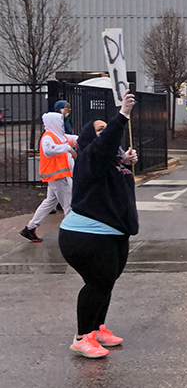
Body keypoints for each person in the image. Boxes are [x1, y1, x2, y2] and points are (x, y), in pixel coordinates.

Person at [58, 92, 139, 359]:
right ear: (91, 138)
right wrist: (122, 114)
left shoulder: (109, 163)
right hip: (86, 234)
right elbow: (104, 146)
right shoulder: (90, 156)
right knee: (97, 283)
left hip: (111, 233)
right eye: (101, 129)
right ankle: (82, 337)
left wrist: (124, 163)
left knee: (107, 282)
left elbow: (116, 188)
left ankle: (97, 328)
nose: (107, 132)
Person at [19, 112, 79, 243]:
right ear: (54, 123)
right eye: (60, 122)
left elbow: (74, 139)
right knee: (69, 205)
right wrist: (68, 148)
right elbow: (48, 150)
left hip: (58, 176)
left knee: (50, 202)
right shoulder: (48, 137)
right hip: (59, 176)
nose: (62, 124)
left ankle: (30, 228)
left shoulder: (59, 136)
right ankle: (72, 234)